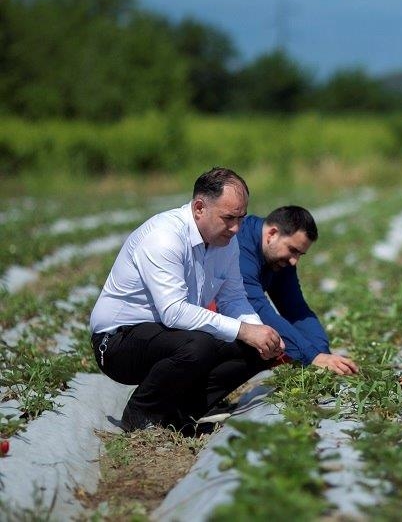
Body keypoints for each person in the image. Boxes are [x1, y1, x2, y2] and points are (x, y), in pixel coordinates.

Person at [89, 167, 284, 435]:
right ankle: (141, 413)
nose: (236, 227)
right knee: (199, 344)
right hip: (117, 342)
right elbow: (174, 313)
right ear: (199, 208)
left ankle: (180, 412)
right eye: (228, 218)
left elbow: (234, 298)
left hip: (171, 336)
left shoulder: (226, 242)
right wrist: (244, 330)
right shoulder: (164, 237)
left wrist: (259, 331)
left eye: (241, 218)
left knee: (255, 347)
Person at [237, 205, 358, 375]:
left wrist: (322, 353)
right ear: (272, 234)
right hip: (198, 325)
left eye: (300, 254)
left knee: (279, 347)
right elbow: (256, 307)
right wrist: (312, 356)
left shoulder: (280, 258)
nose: (294, 261)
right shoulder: (239, 246)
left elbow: (296, 309)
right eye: (293, 250)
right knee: (253, 346)